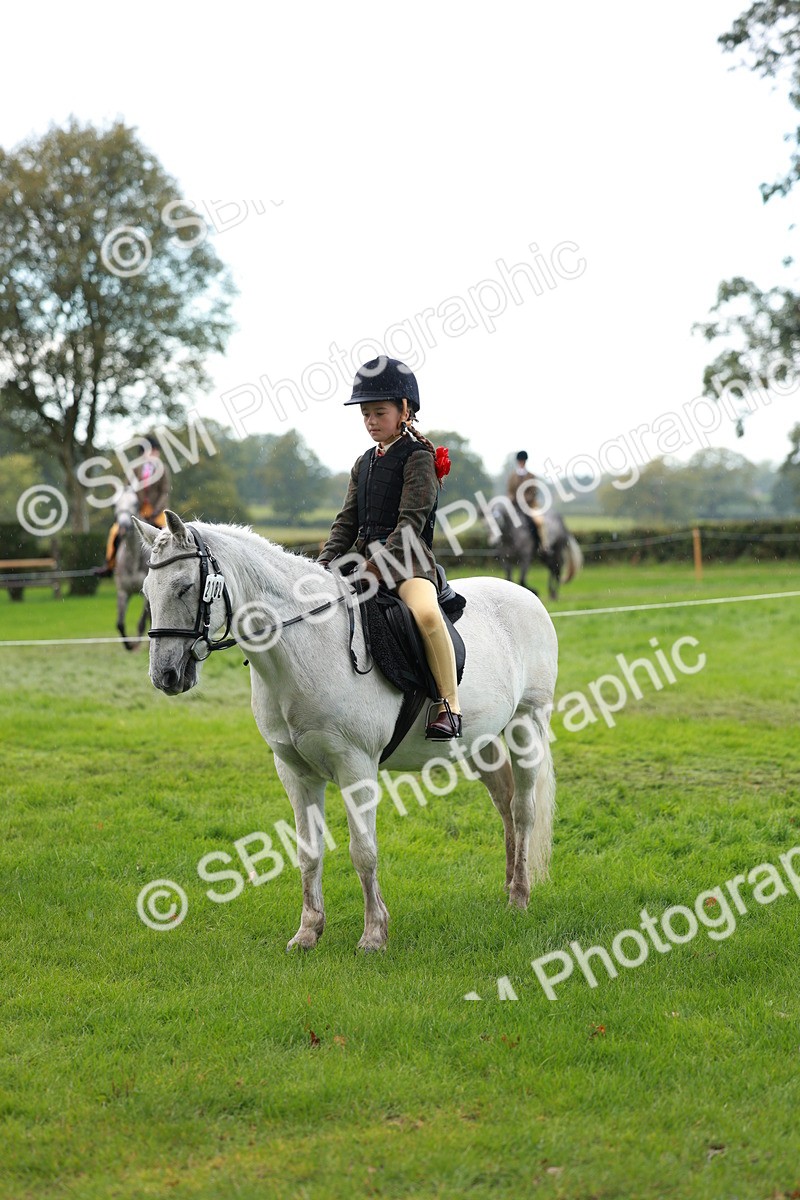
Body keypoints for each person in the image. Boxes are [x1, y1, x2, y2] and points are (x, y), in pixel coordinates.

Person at [317, 357, 462, 740]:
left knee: (427, 616)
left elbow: (410, 525)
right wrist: (324, 565)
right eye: (365, 414)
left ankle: (448, 704)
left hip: (409, 564)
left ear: (405, 410)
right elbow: (346, 523)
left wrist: (375, 570)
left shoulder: (418, 458)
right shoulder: (363, 462)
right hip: (360, 562)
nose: (370, 421)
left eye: (379, 412)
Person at [97, 436, 171, 576]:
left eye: (156, 451)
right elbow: (127, 490)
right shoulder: (135, 469)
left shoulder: (163, 468)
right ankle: (109, 564)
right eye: (154, 451)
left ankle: (169, 565)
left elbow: (165, 492)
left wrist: (156, 510)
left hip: (158, 511)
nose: (157, 454)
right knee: (115, 531)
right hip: (138, 511)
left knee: (169, 534)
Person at [506, 450, 549, 554]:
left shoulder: (531, 476)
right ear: (518, 462)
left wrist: (523, 499)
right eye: (520, 461)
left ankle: (543, 545)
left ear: (525, 462)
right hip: (515, 505)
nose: (521, 463)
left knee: (539, 522)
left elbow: (533, 492)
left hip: (530, 505)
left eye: (523, 461)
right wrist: (513, 499)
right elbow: (510, 491)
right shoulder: (512, 476)